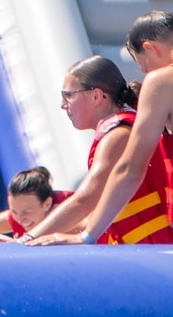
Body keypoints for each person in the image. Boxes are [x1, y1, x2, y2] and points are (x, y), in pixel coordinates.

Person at [25, 46, 173, 245]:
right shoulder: (125, 127)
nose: (63, 104)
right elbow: (90, 217)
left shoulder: (118, 136)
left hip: (155, 253)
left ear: (96, 96)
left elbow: (85, 199)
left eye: (68, 95)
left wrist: (26, 241)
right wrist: (37, 235)